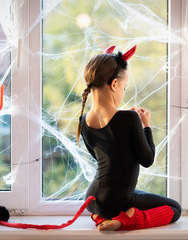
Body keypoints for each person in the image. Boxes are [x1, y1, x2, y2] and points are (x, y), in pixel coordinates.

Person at [76, 45, 181, 231]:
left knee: (132, 196)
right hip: (119, 201)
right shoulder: (129, 118)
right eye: (124, 87)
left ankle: (102, 216)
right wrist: (145, 126)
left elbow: (104, 158)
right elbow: (147, 160)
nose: (123, 92)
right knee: (175, 208)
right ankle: (127, 219)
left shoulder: (83, 121)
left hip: (93, 199)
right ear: (115, 84)